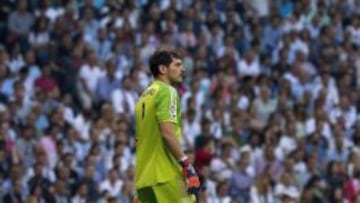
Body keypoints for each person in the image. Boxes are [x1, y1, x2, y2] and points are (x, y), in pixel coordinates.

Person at [134, 50, 200, 202]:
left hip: (144, 178)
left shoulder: (143, 98)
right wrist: (187, 165)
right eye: (177, 65)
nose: (182, 69)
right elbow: (167, 133)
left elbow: (139, 140)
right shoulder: (167, 91)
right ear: (163, 69)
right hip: (167, 174)